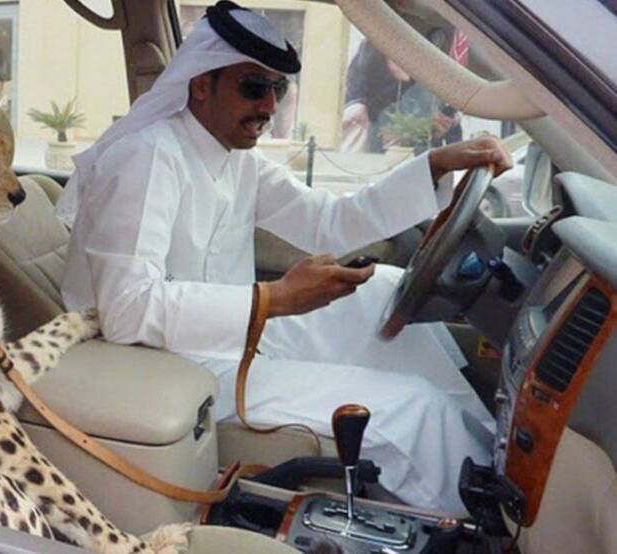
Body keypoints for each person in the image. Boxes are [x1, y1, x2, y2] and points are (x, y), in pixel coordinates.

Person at [56, 1, 512, 514]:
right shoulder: (145, 157)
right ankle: (490, 522)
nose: (270, 106)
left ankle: (498, 460)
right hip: (162, 363)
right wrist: (273, 298)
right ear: (200, 84)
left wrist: (432, 166)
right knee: (415, 409)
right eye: (253, 87)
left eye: (278, 89)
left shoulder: (233, 157)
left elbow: (330, 221)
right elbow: (126, 310)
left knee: (385, 291)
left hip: (232, 332)